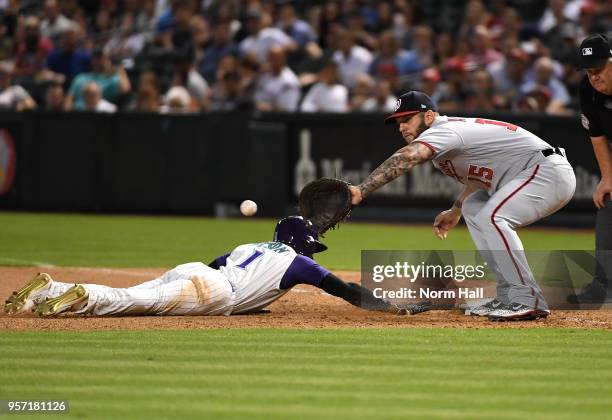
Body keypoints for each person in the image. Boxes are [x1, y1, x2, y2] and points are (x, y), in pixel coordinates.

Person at [348, 90, 576, 321]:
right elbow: (478, 180)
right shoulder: (446, 137)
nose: (402, 127)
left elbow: (407, 157)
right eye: (398, 122)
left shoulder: (443, 131)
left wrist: (362, 189)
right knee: (474, 208)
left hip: (546, 172)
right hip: (531, 174)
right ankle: (508, 294)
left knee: (494, 217)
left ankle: (528, 299)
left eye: (407, 119)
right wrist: (456, 209)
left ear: (429, 116)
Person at [4, 217, 422, 317]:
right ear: (300, 244)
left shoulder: (249, 244)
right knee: (134, 302)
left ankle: (46, 289)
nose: (314, 255)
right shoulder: (297, 263)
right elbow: (343, 288)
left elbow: (212, 267)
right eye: (311, 247)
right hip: (217, 293)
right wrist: (387, 306)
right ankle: (87, 297)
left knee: (147, 291)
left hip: (199, 272)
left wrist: (253, 303)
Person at [567, 34, 612, 304]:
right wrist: (608, 178)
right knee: (607, 204)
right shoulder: (588, 89)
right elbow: (597, 135)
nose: (594, 76)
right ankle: (602, 286)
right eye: (589, 71)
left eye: (599, 69)